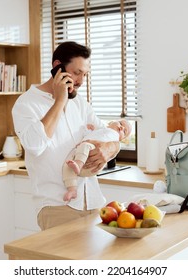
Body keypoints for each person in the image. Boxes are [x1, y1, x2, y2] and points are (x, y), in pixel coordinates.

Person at [12, 41, 120, 230]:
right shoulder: (26, 104)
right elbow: (35, 145)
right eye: (77, 73)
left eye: (85, 74)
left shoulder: (79, 103)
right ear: (57, 67)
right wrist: (60, 99)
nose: (81, 81)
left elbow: (107, 135)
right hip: (57, 207)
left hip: (93, 203)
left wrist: (110, 148)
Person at [63, 119, 132, 202]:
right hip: (80, 157)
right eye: (120, 123)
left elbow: (113, 149)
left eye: (124, 131)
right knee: (67, 166)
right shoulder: (100, 130)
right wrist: (88, 129)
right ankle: (72, 190)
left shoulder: (114, 139)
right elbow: (86, 136)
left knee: (85, 145)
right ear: (111, 122)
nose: (121, 127)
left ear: (122, 138)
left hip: (91, 160)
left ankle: (78, 164)